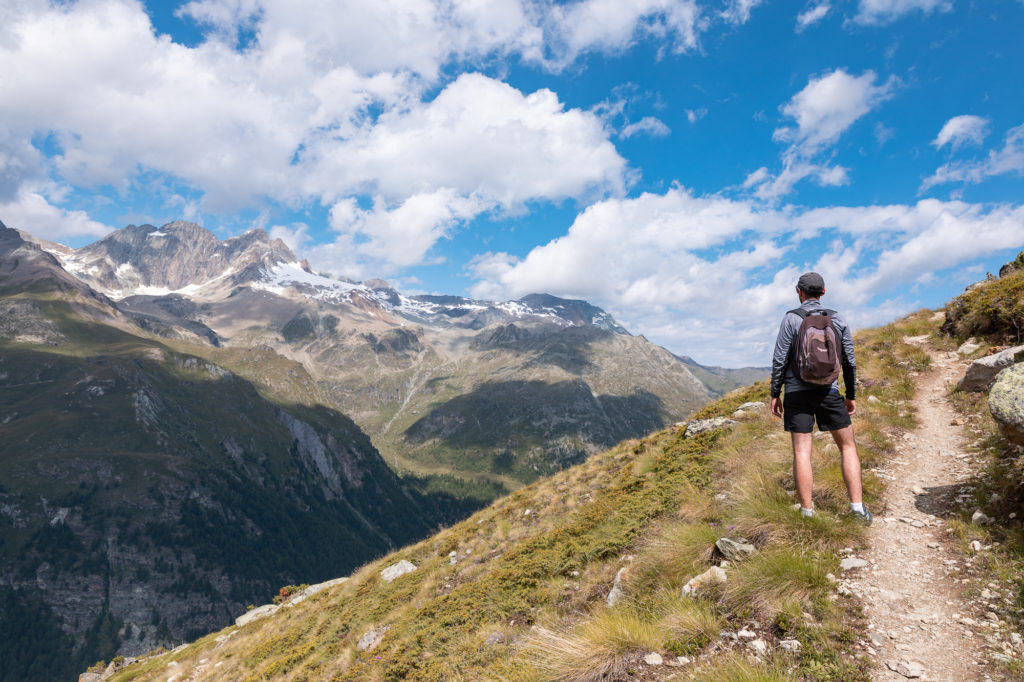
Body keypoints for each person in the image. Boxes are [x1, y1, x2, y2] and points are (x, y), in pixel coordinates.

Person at [769, 272, 872, 524]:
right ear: (823, 292)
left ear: (799, 292)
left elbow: (780, 358)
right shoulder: (837, 318)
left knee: (802, 452)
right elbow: (849, 360)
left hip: (796, 393)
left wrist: (775, 392)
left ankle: (807, 512)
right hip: (829, 391)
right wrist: (851, 395)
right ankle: (857, 510)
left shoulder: (791, 319)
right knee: (847, 447)